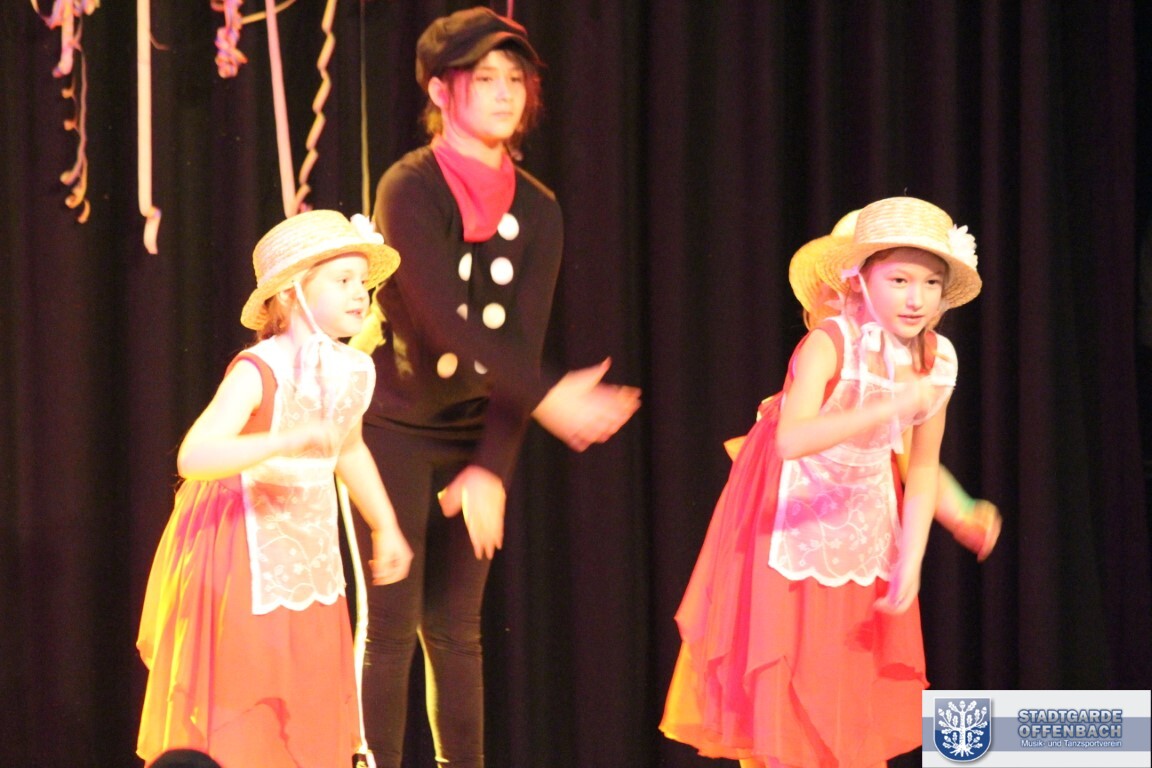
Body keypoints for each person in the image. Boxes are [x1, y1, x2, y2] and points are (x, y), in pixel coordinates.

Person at [347, 7, 641, 768]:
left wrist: (491, 468)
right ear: (441, 91)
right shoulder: (409, 187)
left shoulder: (539, 207)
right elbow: (442, 322)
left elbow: (519, 348)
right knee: (391, 623)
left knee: (457, 627)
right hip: (393, 424)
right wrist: (550, 398)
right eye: (484, 78)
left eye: (516, 78)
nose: (506, 92)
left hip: (478, 425)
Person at [661, 196, 984, 767]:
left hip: (863, 514)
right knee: (783, 670)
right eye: (899, 280)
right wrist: (889, 407)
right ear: (860, 282)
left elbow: (922, 463)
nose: (916, 298)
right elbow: (792, 439)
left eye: (931, 283)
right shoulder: (828, 343)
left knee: (847, 675)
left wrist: (911, 560)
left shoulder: (937, 361)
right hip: (791, 510)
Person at [136, 210, 414, 768]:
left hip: (311, 552)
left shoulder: (353, 369)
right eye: (342, 280)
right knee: (248, 688)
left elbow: (349, 448)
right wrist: (282, 439)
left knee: (306, 682)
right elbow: (195, 455)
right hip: (242, 550)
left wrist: (386, 526)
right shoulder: (258, 368)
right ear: (291, 293)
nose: (359, 293)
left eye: (363, 281)